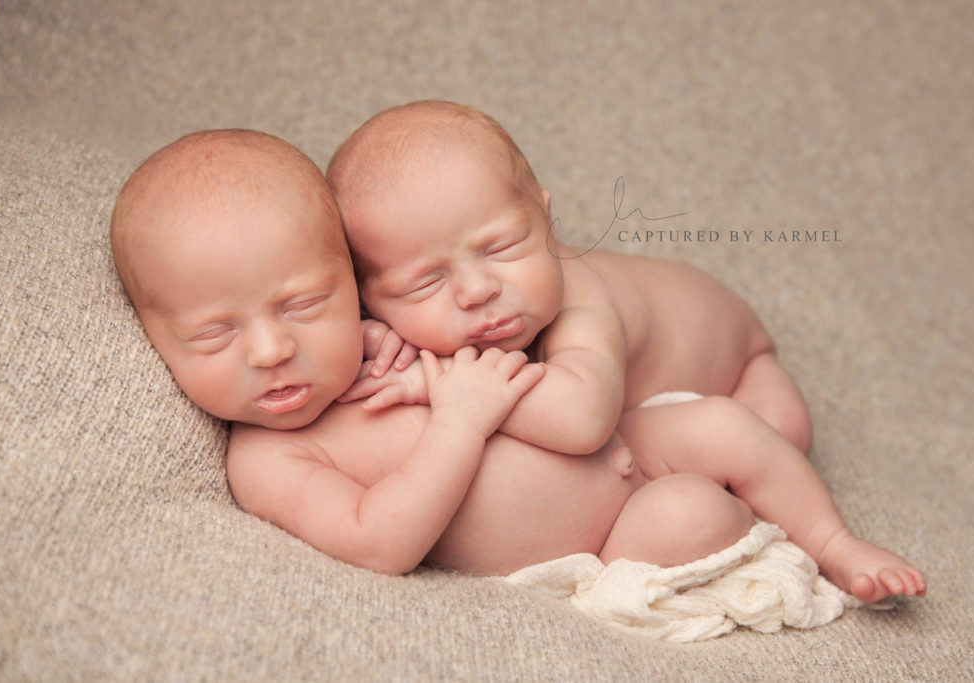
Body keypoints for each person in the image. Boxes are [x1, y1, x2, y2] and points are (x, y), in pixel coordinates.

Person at [326, 101, 926, 602]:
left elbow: (584, 419)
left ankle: (834, 544)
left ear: (546, 217)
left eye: (503, 246)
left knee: (773, 435)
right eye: (423, 284)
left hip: (737, 361)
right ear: (369, 299)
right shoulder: (420, 313)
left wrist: (443, 379)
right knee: (694, 477)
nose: (478, 290)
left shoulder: (579, 293)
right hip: (647, 423)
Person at [108, 128, 755, 579]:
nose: (274, 349)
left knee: (752, 434)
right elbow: (376, 541)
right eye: (216, 334)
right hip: (617, 549)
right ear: (155, 336)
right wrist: (458, 422)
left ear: (356, 284)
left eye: (305, 306)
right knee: (693, 514)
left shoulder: (384, 337)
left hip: (639, 440)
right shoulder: (267, 457)